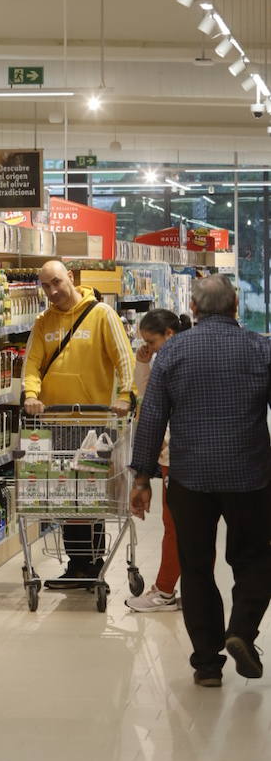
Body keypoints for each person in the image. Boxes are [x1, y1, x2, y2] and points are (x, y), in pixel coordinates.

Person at [130, 275, 271, 687]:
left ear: (192, 309)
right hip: (250, 477)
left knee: (195, 568)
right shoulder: (261, 348)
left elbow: (152, 418)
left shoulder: (172, 351)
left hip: (189, 478)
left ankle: (207, 664)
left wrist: (143, 477)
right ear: (235, 306)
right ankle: (241, 631)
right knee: (255, 560)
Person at [24, 260, 136, 580]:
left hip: (93, 424)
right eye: (45, 286)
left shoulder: (103, 315)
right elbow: (32, 363)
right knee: (64, 496)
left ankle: (91, 562)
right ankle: (77, 564)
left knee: (87, 494)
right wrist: (31, 394)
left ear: (70, 278)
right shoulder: (43, 322)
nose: (52, 291)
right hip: (55, 423)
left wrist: (126, 397)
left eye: (57, 282)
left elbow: (124, 359)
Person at [124, 308, 191, 612]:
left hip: (177, 457)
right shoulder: (171, 358)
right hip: (174, 456)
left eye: (151, 342)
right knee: (182, 527)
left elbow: (153, 407)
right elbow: (147, 394)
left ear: (170, 335)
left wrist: (141, 474)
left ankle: (165, 591)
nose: (148, 348)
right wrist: (142, 363)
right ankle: (184, 590)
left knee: (176, 527)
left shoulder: (179, 361)